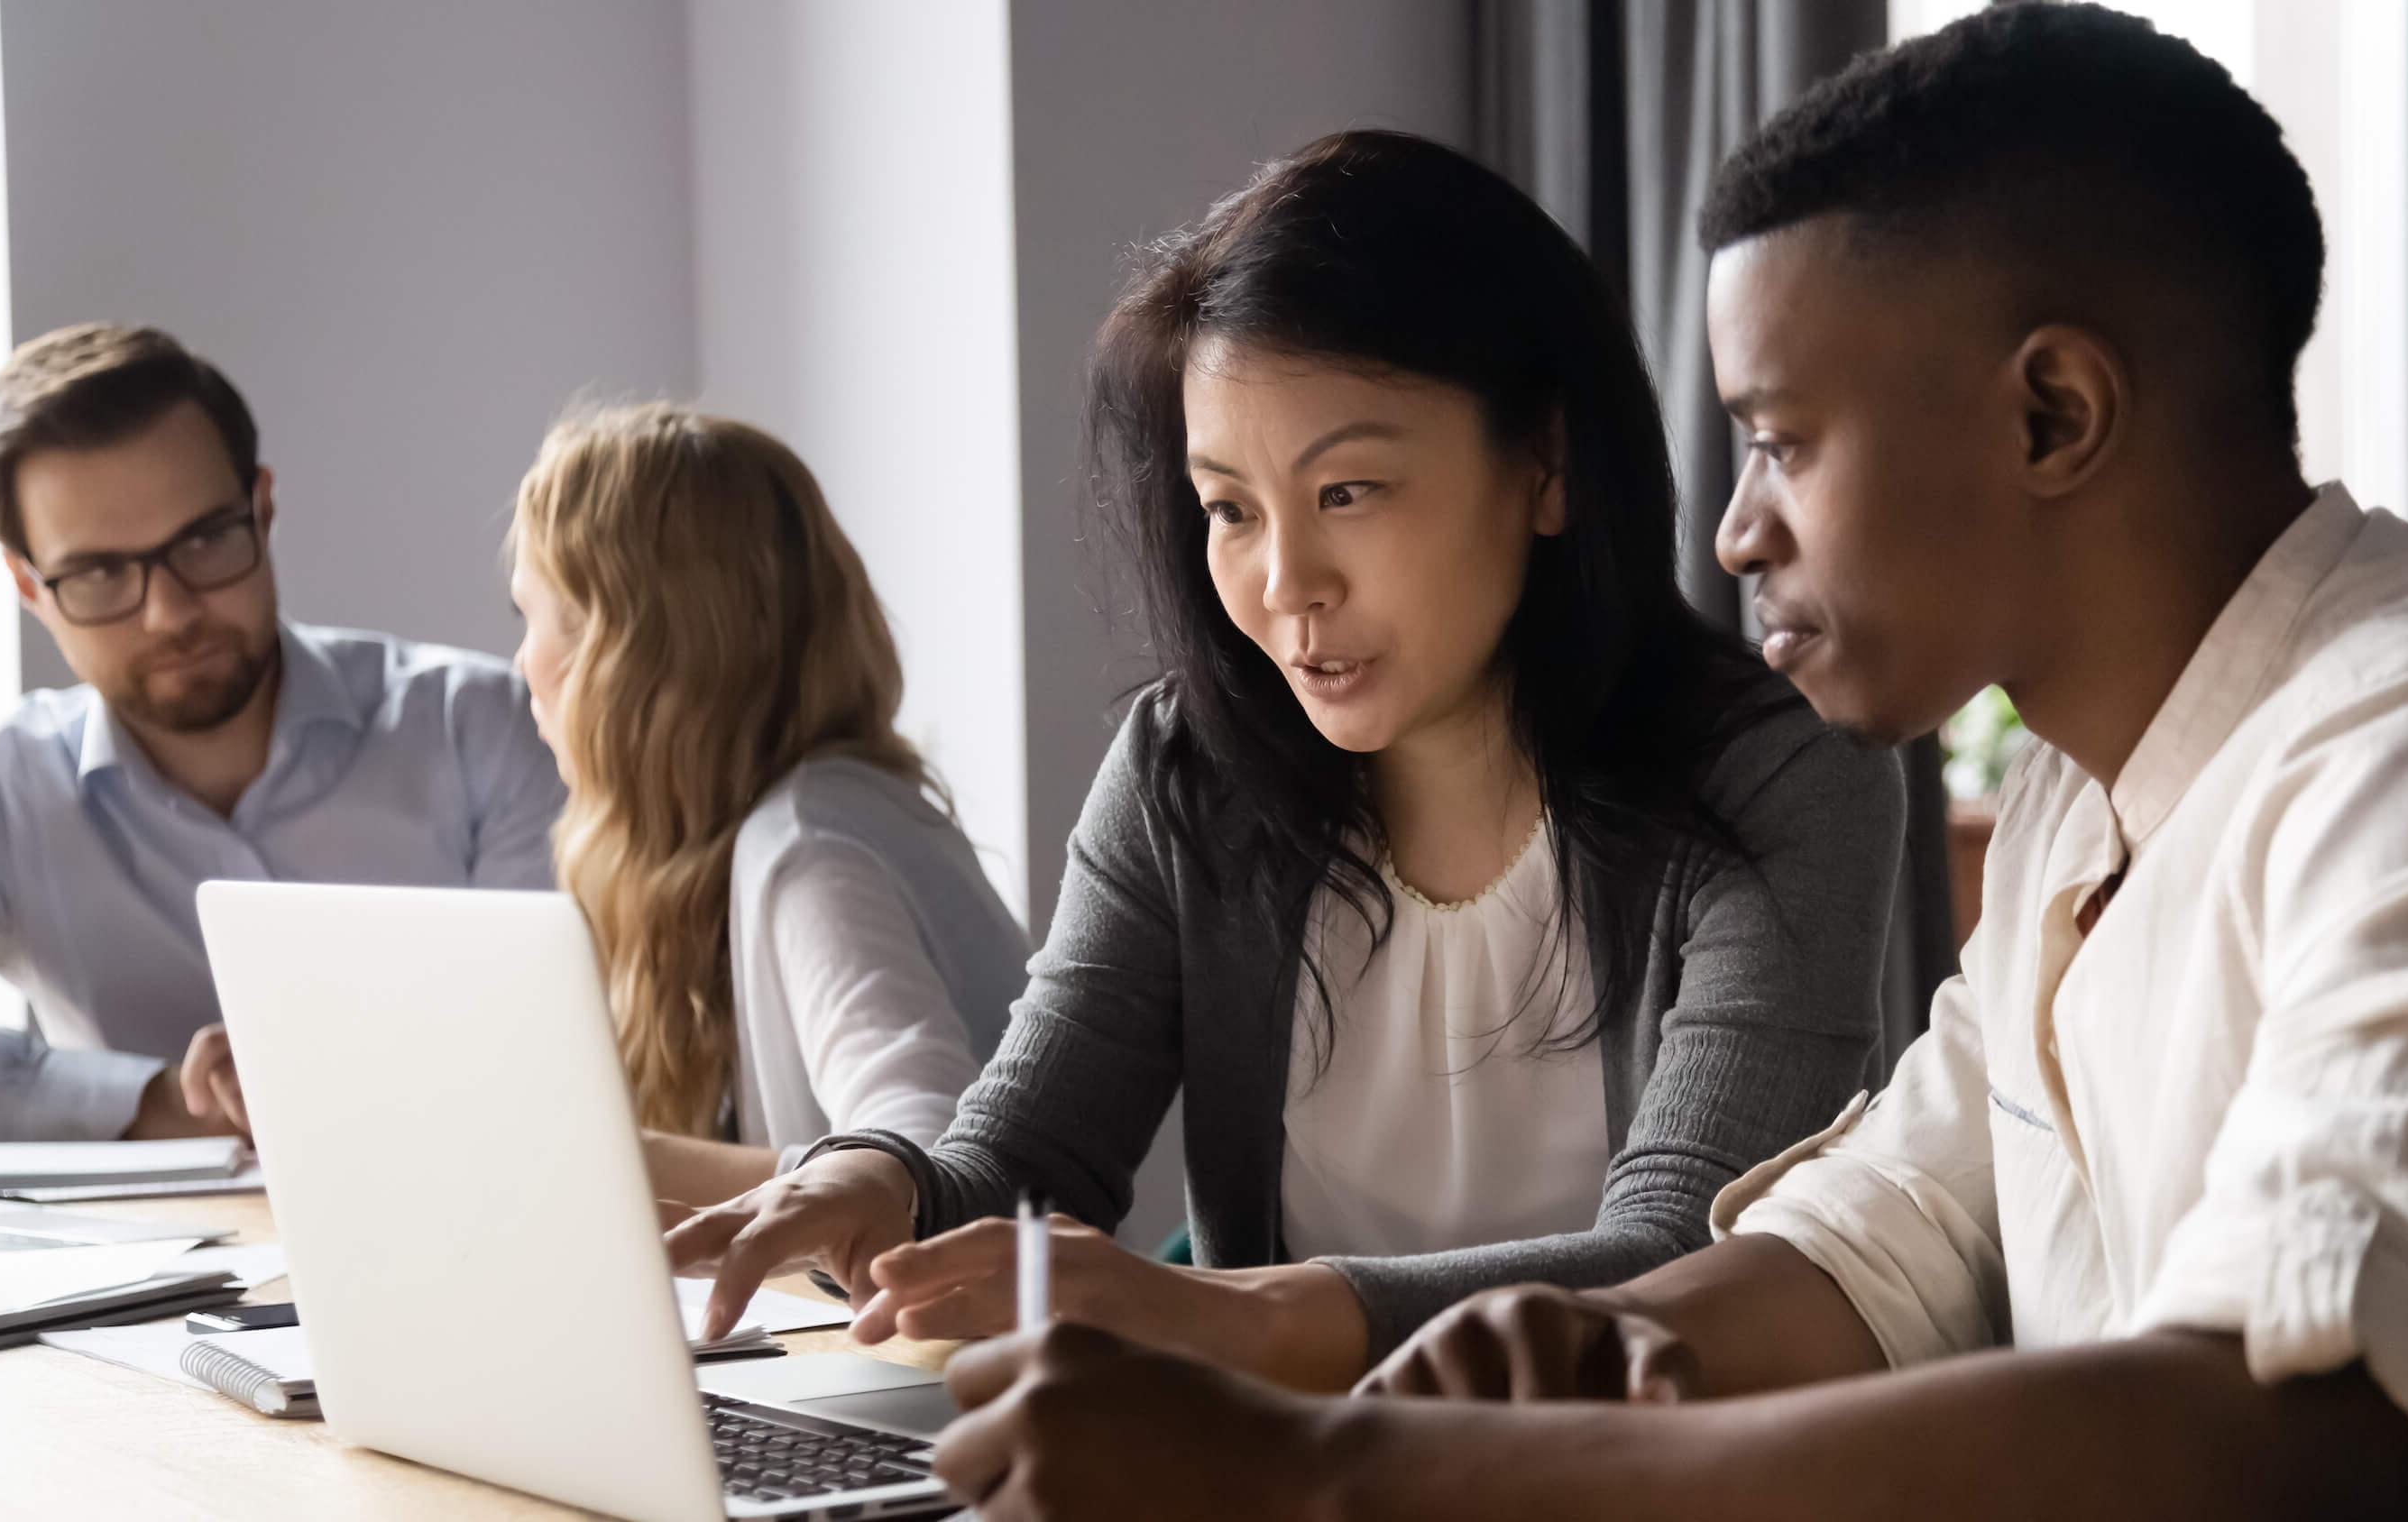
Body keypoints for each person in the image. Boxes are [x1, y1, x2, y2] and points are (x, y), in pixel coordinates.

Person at [906, 8, 2408, 1521]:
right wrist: (1587, 1345)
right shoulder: (2077, 802)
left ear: (2054, 414)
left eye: (1782, 441)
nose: (1735, 532)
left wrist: (1325, 1474)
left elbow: (2301, 1433)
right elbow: (1871, 1246)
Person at [666, 129, 1905, 1392]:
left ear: (1546, 465)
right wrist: (873, 1181)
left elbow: (1676, 1272)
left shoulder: (1780, 779)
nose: (1284, 585)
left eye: (1350, 492)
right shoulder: (1185, 772)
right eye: (1230, 510)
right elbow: (1022, 1160)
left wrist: (1234, 1318)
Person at [0, 324, 563, 1143]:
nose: (169, 613)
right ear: (28, 586)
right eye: (98, 574)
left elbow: (547, 1062)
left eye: (203, 540)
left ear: (262, 509)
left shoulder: (480, 728)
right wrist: (159, 1100)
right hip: (138, 1265)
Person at [504, 402, 1023, 1205]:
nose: (521, 663)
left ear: (625, 658)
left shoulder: (811, 847)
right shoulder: (813, 816)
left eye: (529, 618)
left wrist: (611, 1160)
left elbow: (928, 1163)